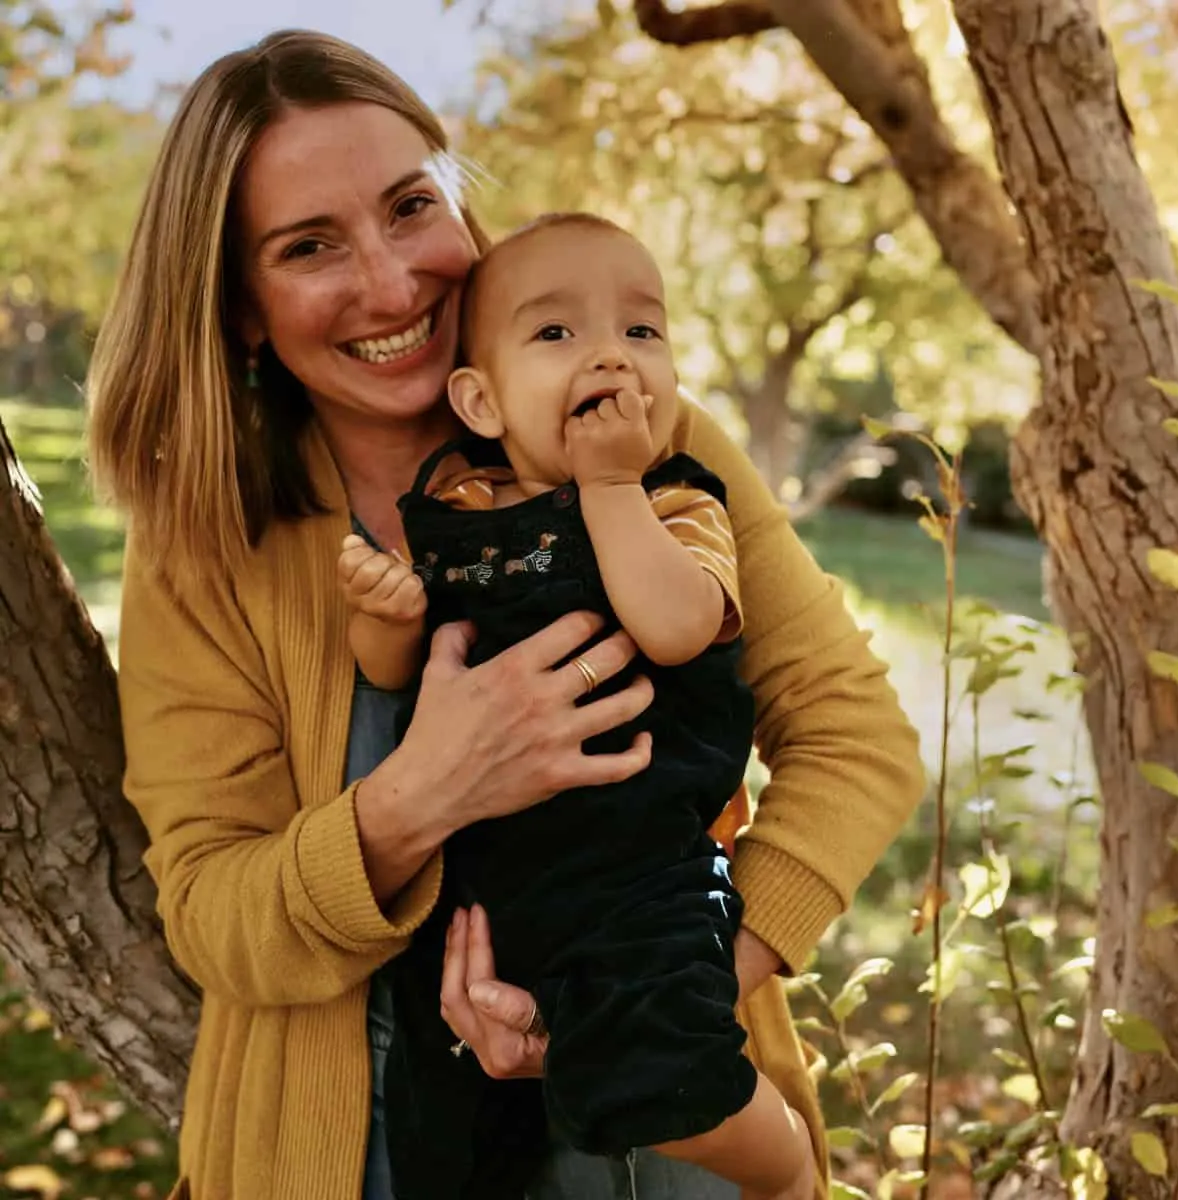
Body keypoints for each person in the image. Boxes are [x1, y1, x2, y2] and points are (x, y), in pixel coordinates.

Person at [85, 28, 925, 1200]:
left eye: (410, 206)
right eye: (310, 246)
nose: (391, 283)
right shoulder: (207, 541)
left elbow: (855, 738)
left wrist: (657, 991)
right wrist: (424, 793)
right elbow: (214, 914)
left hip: (654, 1123)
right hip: (356, 1145)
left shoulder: (636, 439)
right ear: (238, 307)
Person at [338, 212, 813, 1200]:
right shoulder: (460, 513)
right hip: (492, 897)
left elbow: (680, 625)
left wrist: (609, 484)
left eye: (642, 332)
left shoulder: (678, 504)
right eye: (556, 334)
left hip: (641, 878)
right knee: (450, 1131)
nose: (609, 353)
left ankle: (788, 1170)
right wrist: (386, 618)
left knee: (672, 1066)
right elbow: (405, 674)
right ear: (479, 399)